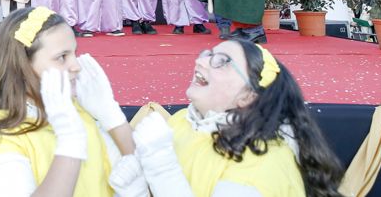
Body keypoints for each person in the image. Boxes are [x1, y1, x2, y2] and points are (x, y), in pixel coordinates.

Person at [0, 6, 145, 197]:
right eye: (62, 57)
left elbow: (143, 179)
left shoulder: (77, 115)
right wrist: (70, 144)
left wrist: (113, 118)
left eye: (74, 53)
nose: (76, 66)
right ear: (22, 66)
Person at [132, 40, 344, 197]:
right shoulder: (182, 120)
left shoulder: (263, 163)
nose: (200, 61)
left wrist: (162, 168)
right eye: (208, 54)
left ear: (248, 95)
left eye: (222, 62)